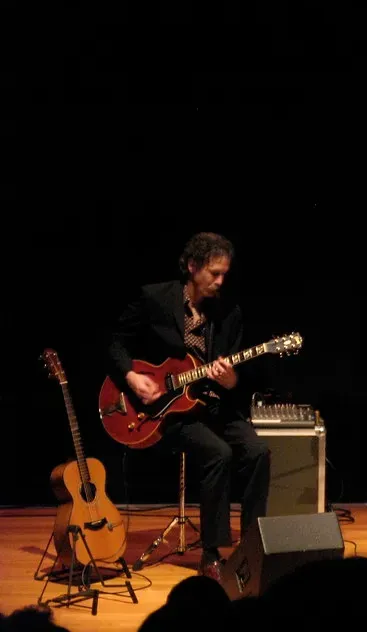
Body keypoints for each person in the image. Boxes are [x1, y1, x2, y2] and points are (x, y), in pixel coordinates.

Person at [106, 231, 271, 580]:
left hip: (213, 404)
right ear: (193, 267)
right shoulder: (155, 298)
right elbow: (116, 344)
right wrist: (133, 378)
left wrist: (231, 380)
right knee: (219, 454)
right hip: (166, 412)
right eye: (214, 273)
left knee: (259, 451)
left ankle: (255, 545)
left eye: (226, 273)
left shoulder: (230, 313)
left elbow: (238, 375)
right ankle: (210, 556)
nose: (221, 280)